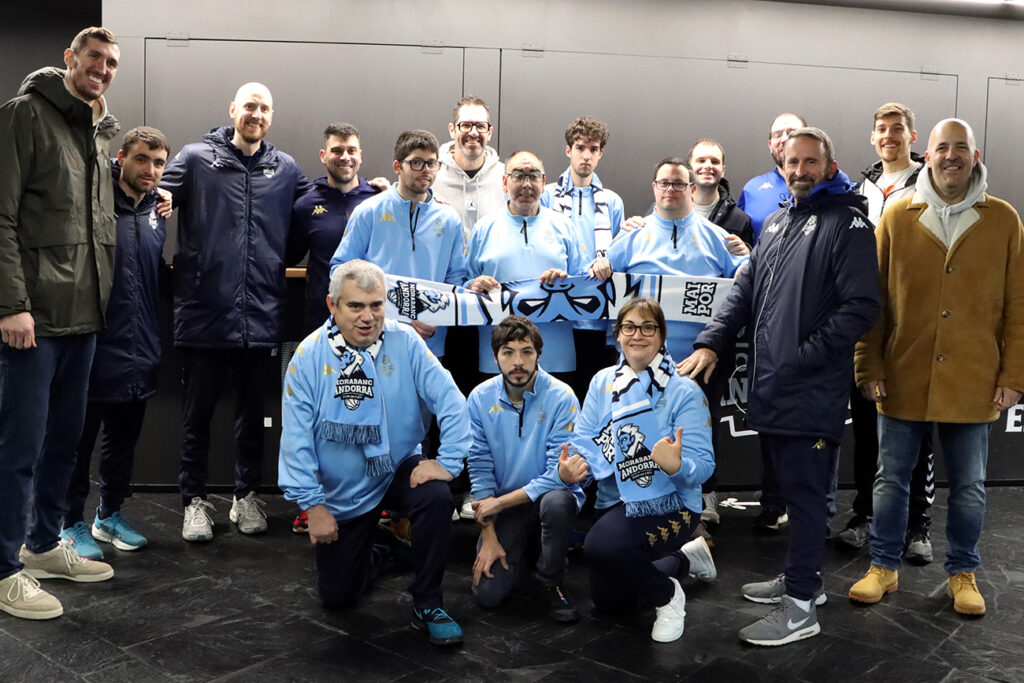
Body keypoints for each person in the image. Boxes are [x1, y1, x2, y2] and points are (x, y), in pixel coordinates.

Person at [679, 127, 879, 645]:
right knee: (793, 493)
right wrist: (711, 342)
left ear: (830, 166)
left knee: (807, 499)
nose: (799, 170)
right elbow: (744, 291)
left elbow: (862, 307)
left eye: (810, 162)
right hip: (774, 386)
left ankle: (801, 609)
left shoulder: (849, 223)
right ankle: (801, 581)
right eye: (792, 162)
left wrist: (801, 358)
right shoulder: (776, 221)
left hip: (809, 389)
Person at [848, 118, 1024, 617]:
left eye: (960, 147)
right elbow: (874, 302)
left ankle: (962, 572)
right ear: (927, 154)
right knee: (890, 480)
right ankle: (883, 565)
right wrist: (868, 363)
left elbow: (1019, 307)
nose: (951, 155)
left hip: (975, 379)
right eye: (942, 147)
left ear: (975, 155)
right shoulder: (897, 217)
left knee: (969, 487)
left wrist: (1014, 376)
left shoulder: (1003, 219)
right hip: (902, 373)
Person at [278, 260, 470, 645]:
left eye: (376, 305)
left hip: (397, 466)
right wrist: (313, 506)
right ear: (332, 306)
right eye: (355, 306)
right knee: (338, 598)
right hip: (344, 489)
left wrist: (448, 463)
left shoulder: (406, 341)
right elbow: (295, 438)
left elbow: (451, 400)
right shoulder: (308, 355)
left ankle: (428, 603)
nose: (368, 317)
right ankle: (384, 549)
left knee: (435, 496)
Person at [0, 26, 121, 620]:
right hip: (34, 318)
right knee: (19, 447)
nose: (102, 68)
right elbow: (0, 216)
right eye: (93, 57)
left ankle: (44, 545)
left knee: (64, 443)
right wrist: (10, 304)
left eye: (111, 62)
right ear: (69, 58)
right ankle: (3, 569)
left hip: (83, 318)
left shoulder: (98, 131)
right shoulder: (24, 115)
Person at [161, 82, 309, 541]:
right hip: (205, 311)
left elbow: (324, 204)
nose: (256, 114)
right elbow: (150, 192)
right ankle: (193, 502)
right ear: (232, 110)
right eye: (249, 106)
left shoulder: (285, 169)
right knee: (197, 416)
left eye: (264, 108)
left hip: (260, 313)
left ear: (271, 116)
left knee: (252, 416)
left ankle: (246, 496)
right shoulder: (195, 158)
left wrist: (374, 191)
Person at [559, 298, 716, 643]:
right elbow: (586, 444)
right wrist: (574, 471)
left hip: (672, 504)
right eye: (629, 327)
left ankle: (669, 597)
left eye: (648, 327)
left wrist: (676, 466)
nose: (638, 335)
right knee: (613, 604)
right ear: (617, 335)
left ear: (661, 336)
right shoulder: (602, 382)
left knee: (600, 546)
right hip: (614, 502)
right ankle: (686, 561)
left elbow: (704, 467)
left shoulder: (684, 390)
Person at [607, 157, 747, 531]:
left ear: (691, 189)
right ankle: (643, 498)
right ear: (654, 188)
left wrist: (749, 257)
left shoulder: (717, 237)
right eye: (664, 183)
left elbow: (743, 285)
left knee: (700, 428)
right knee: (643, 428)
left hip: (700, 358)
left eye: (679, 184)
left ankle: (704, 494)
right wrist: (600, 264)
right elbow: (601, 277)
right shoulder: (631, 237)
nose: (671, 189)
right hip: (641, 360)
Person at [61, 127, 170, 560]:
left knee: (122, 444)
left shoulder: (157, 212)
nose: (150, 169)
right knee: (77, 445)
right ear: (121, 158)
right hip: (94, 349)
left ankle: (108, 516)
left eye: (158, 163)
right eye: (141, 159)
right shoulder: (96, 201)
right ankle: (68, 522)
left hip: (140, 351)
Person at [839, 102, 935, 557]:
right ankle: (865, 513)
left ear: (912, 136)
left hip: (914, 324)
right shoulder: (860, 189)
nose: (889, 136)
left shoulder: (930, 182)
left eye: (898, 129)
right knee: (865, 426)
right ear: (873, 137)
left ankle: (918, 523)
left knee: (917, 426)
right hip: (866, 320)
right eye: (882, 129)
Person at [467, 316, 582, 622]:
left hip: (546, 499)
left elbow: (559, 475)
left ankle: (552, 580)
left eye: (526, 351)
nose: (518, 361)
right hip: (507, 508)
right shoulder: (478, 398)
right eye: (508, 352)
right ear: (495, 357)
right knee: (487, 595)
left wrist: (499, 503)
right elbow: (479, 467)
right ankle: (529, 552)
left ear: (538, 355)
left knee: (557, 502)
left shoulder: (562, 396)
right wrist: (488, 535)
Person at [330, 129, 467, 360]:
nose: (425, 170)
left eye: (432, 163)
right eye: (416, 162)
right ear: (397, 167)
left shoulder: (450, 219)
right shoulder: (368, 212)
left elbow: (456, 280)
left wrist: (438, 318)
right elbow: (340, 272)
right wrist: (374, 316)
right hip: (373, 341)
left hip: (429, 345)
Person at [466, 151, 603, 377]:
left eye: (533, 176)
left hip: (556, 358)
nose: (526, 184)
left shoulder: (564, 226)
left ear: (543, 182)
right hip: (497, 359)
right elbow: (463, 284)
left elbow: (585, 286)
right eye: (519, 175)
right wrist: (473, 285)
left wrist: (566, 282)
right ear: (505, 182)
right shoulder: (483, 228)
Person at [540, 116, 624, 400]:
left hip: (595, 315)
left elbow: (616, 256)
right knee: (555, 395)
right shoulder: (547, 195)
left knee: (592, 395)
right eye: (580, 148)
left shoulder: (612, 201)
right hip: (555, 315)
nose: (586, 155)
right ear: (568, 150)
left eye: (593, 149)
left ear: (601, 154)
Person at [289, 122, 384, 335]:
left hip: (373, 320)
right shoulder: (306, 205)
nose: (345, 157)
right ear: (323, 156)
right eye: (337, 150)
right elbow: (290, 256)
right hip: (322, 321)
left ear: (360, 155)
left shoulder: (379, 200)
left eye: (351, 150)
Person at [433, 95, 505, 244]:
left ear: (489, 132)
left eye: (480, 126)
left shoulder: (506, 178)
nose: (473, 132)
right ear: (452, 130)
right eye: (466, 125)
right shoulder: (431, 177)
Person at [737, 112, 806, 242]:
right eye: (778, 135)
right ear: (770, 145)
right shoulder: (752, 189)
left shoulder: (828, 187)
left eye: (792, 133)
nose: (784, 139)